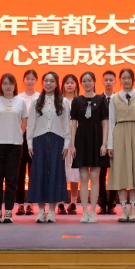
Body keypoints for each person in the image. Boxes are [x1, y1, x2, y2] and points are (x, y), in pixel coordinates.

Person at [108, 68, 135, 223]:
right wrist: (110, 144)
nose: (126, 80)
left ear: (133, 80)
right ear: (120, 80)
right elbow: (111, 121)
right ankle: (123, 208)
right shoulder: (114, 98)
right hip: (119, 134)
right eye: (123, 78)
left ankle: (132, 208)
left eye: (129, 78)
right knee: (120, 171)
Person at [27, 72, 70, 223]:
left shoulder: (63, 101)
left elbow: (67, 125)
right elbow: (31, 124)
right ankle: (41, 210)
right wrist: (29, 143)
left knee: (55, 174)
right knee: (39, 173)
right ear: (42, 83)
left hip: (57, 140)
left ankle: (52, 210)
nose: (48, 83)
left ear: (57, 84)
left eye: (52, 81)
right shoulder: (36, 101)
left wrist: (66, 144)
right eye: (46, 81)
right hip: (39, 140)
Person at [0, 73, 25, 224]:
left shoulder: (20, 102)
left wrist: (18, 134)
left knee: (11, 179)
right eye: (5, 83)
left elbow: (24, 121)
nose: (8, 86)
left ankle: (8, 211)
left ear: (15, 85)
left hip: (14, 145)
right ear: (1, 86)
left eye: (10, 83)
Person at [70, 71, 110, 223]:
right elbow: (73, 123)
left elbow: (105, 123)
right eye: (84, 81)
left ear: (94, 82)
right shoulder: (76, 101)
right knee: (83, 177)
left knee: (95, 177)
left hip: (96, 139)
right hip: (81, 140)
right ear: (81, 83)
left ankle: (93, 211)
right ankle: (84, 212)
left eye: (89, 80)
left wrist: (104, 144)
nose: (87, 83)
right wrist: (72, 144)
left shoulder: (101, 99)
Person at [97, 70, 120, 215]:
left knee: (115, 172)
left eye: (111, 80)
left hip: (117, 139)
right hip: (101, 141)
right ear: (102, 81)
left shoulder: (119, 99)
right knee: (101, 173)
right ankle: (102, 203)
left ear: (115, 81)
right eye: (106, 80)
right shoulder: (98, 100)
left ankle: (112, 203)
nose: (108, 82)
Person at [16, 69, 39, 216]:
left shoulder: (41, 97)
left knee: (33, 171)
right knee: (19, 171)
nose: (30, 81)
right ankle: (20, 203)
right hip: (20, 136)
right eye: (27, 78)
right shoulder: (18, 98)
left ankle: (31, 202)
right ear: (23, 80)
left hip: (36, 136)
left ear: (36, 81)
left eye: (32, 79)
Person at [60, 73, 80, 216]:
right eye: (67, 82)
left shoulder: (80, 101)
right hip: (60, 138)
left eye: (72, 82)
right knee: (60, 171)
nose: (69, 85)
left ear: (76, 85)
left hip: (76, 139)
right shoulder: (58, 101)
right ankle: (60, 202)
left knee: (75, 171)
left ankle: (73, 202)